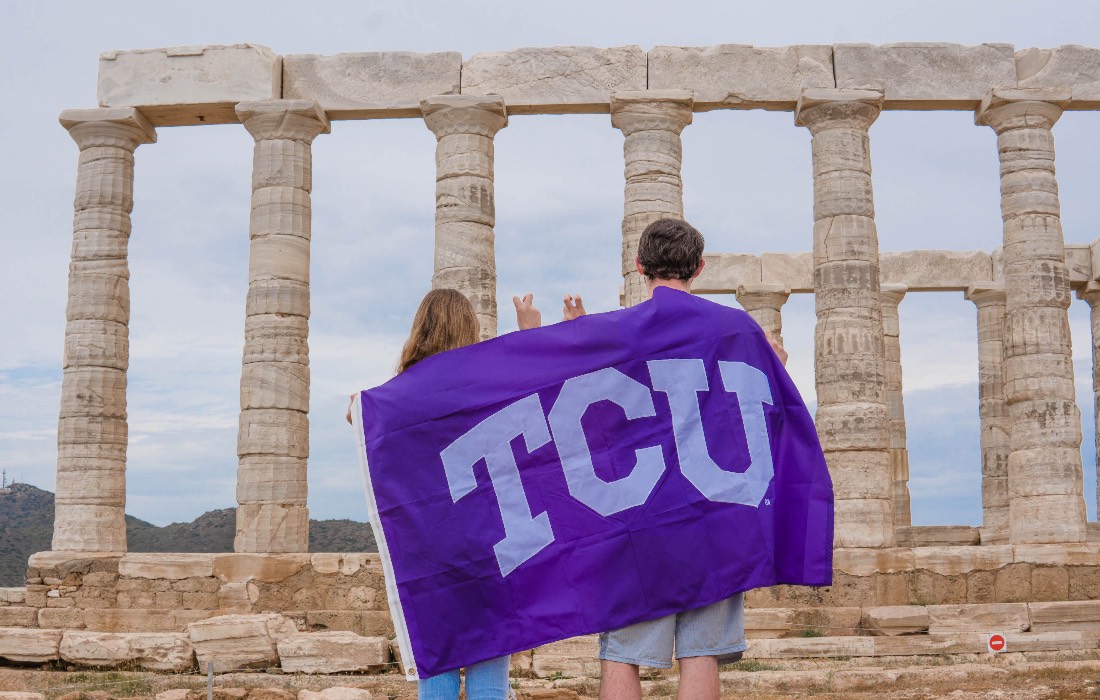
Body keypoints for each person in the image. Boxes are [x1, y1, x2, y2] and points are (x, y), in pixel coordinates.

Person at [513, 218, 787, 700]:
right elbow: (768, 396)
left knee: (622, 654)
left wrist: (553, 332)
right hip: (714, 517)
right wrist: (774, 363)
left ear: (639, 265)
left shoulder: (613, 331)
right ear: (699, 268)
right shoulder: (738, 330)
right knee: (701, 654)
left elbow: (554, 386)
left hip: (637, 521)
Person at [348, 288, 514, 700]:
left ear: (419, 330)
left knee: (436, 670)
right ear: (470, 330)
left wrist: (364, 404)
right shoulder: (486, 385)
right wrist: (530, 329)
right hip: (489, 541)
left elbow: (356, 413)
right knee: (490, 675)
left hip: (428, 551)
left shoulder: (401, 393)